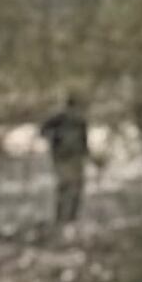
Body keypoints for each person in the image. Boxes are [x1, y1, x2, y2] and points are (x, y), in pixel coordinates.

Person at [39, 93, 90, 228]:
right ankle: (61, 217)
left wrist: (87, 156)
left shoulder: (80, 122)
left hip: (76, 158)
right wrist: (56, 137)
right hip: (62, 158)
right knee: (64, 186)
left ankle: (72, 217)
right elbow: (43, 131)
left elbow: (84, 141)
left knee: (77, 187)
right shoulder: (57, 119)